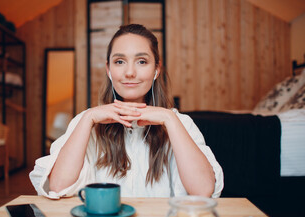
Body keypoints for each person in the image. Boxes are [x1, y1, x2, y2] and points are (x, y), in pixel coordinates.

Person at [29, 24, 223, 198]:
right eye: (120, 61)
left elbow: (203, 190)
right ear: (108, 70)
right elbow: (57, 186)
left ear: (156, 69)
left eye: (141, 61)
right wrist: (88, 117)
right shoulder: (87, 121)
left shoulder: (179, 121)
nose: (129, 72)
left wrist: (168, 118)